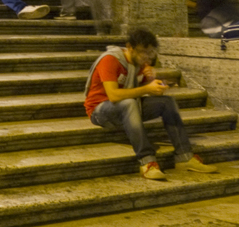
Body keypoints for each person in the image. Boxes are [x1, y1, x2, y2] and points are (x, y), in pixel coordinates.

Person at [85, 29, 219, 181]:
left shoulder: (139, 64)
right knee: (128, 103)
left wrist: (154, 84)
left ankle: (185, 157)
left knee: (167, 103)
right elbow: (114, 95)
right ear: (130, 47)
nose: (146, 57)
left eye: (150, 52)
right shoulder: (110, 60)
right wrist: (147, 88)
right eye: (143, 52)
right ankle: (147, 162)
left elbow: (136, 90)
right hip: (100, 111)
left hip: (128, 108)